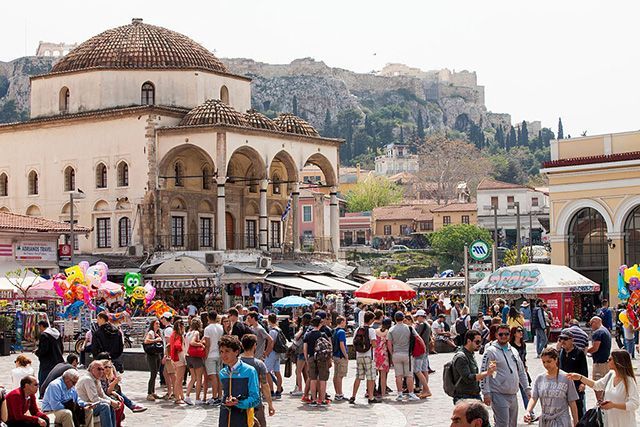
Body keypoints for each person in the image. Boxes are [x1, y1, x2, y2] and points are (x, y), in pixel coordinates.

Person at [568, 349, 640, 427]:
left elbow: (634, 404)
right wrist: (580, 377)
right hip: (609, 422)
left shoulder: (629, 381)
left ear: (618, 361)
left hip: (624, 423)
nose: (607, 360)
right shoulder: (611, 375)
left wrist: (614, 405)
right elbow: (596, 385)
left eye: (610, 359)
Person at [480, 324, 530, 427]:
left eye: (506, 334)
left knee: (512, 424)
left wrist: (527, 389)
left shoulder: (513, 350)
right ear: (496, 335)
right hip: (498, 394)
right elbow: (485, 372)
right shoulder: (491, 351)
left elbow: (521, 372)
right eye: (501, 334)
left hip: (513, 395)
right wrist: (486, 393)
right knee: (502, 424)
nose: (504, 336)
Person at [524, 347, 579, 426]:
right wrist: (528, 411)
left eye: (549, 361)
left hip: (561, 421)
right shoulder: (540, 378)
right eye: (544, 362)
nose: (546, 365)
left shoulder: (566, 378)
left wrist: (576, 422)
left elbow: (572, 402)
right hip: (545, 420)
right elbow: (534, 397)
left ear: (556, 360)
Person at [218, 335, 261, 427]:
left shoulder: (249, 371)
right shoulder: (222, 373)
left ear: (236, 352)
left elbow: (256, 398)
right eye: (221, 351)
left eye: (227, 351)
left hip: (242, 419)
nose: (223, 355)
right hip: (225, 419)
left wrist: (239, 403)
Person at [240, 334, 276, 427]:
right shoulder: (259, 364)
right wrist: (270, 404)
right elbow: (264, 385)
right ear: (254, 345)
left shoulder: (236, 363)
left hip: (239, 401)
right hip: (255, 401)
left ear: (242, 345)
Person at [452, 330, 495, 403]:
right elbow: (468, 378)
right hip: (464, 397)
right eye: (477, 342)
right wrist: (487, 373)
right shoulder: (461, 357)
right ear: (469, 341)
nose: (480, 345)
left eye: (480, 342)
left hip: (475, 395)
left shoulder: (470, 354)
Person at [76, 361, 120, 427]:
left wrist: (112, 402)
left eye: (102, 369)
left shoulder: (96, 379)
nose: (101, 371)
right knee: (104, 407)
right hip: (84, 407)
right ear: (92, 369)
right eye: (99, 369)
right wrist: (110, 402)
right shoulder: (88, 379)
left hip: (92, 404)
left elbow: (102, 395)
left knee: (110, 404)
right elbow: (94, 399)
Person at [387, 311, 419, 401]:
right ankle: (411, 393)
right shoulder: (409, 328)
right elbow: (416, 338)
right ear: (403, 318)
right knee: (409, 375)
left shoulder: (391, 330)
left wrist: (392, 353)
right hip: (407, 354)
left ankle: (400, 394)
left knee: (398, 375)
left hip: (396, 354)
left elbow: (389, 343)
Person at [349, 311, 379, 404]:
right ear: (370, 320)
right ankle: (371, 397)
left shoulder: (358, 329)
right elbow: (374, 344)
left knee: (358, 377)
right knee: (370, 377)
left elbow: (354, 342)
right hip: (368, 355)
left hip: (359, 356)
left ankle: (353, 396)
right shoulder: (371, 330)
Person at [558, 329, 588, 420]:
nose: (563, 341)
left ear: (572, 340)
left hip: (576, 385)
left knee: (579, 410)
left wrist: (583, 383)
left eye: (565, 339)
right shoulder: (560, 352)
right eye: (561, 339)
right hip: (563, 385)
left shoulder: (579, 353)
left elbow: (584, 369)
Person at [303, 316, 332, 406]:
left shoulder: (308, 334)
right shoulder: (322, 334)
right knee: (323, 379)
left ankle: (314, 399)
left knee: (313, 379)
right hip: (322, 358)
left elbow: (305, 348)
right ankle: (322, 399)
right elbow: (329, 347)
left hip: (311, 357)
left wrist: (307, 359)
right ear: (320, 324)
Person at [587, 315, 612, 401]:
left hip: (599, 363)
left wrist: (584, 351)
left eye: (591, 324)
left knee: (597, 385)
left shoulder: (598, 332)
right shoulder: (606, 331)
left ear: (595, 322)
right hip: (606, 362)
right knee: (605, 385)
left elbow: (595, 348)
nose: (591, 326)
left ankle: (601, 403)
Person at [34, 320, 63, 391]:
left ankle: (43, 392)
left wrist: (37, 352)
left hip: (47, 362)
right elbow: (61, 347)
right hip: (57, 360)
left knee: (44, 378)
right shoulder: (56, 333)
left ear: (41, 326)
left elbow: (44, 350)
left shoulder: (44, 335)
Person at [203, 310, 224, 405]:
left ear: (208, 317)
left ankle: (215, 396)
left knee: (213, 376)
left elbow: (207, 344)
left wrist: (206, 355)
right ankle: (220, 395)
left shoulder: (207, 329)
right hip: (219, 354)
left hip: (211, 354)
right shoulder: (220, 327)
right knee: (219, 376)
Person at [184, 317, 205, 405]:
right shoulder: (196, 333)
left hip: (188, 357)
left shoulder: (188, 333)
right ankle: (197, 398)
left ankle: (187, 396)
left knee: (193, 377)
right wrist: (201, 344)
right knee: (199, 378)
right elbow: (192, 343)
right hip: (195, 357)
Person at [143, 319, 163, 401]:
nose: (158, 325)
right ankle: (149, 393)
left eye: (158, 323)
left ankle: (153, 391)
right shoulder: (151, 332)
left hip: (156, 355)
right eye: (156, 323)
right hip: (151, 355)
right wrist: (156, 340)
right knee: (153, 373)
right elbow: (146, 341)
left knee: (155, 374)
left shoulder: (157, 333)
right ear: (153, 325)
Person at [291, 313, 311, 397]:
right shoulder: (311, 328)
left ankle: (299, 389)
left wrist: (299, 330)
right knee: (306, 371)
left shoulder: (303, 328)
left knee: (298, 371)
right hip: (308, 351)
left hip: (302, 351)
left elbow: (296, 336)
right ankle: (308, 388)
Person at [169, 318, 187, 405]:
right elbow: (178, 346)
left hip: (174, 358)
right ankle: (177, 398)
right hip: (179, 358)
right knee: (179, 379)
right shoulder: (179, 335)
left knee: (178, 379)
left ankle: (181, 396)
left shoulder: (173, 334)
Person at [330, 315, 348, 401]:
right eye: (345, 322)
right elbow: (342, 344)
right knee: (340, 376)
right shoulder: (341, 332)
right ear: (341, 322)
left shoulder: (334, 330)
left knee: (336, 375)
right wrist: (346, 355)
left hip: (335, 355)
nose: (346, 323)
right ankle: (340, 393)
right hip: (340, 356)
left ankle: (337, 392)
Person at [374, 317, 392, 398]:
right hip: (384, 354)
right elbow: (388, 345)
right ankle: (383, 392)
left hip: (376, 354)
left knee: (374, 374)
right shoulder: (388, 332)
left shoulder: (376, 331)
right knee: (383, 375)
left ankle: (372, 390)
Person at [160, 312, 175, 400]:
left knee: (171, 374)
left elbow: (169, 344)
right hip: (170, 354)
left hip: (168, 355)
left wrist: (166, 356)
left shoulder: (167, 330)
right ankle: (170, 391)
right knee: (166, 373)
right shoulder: (170, 329)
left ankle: (174, 392)